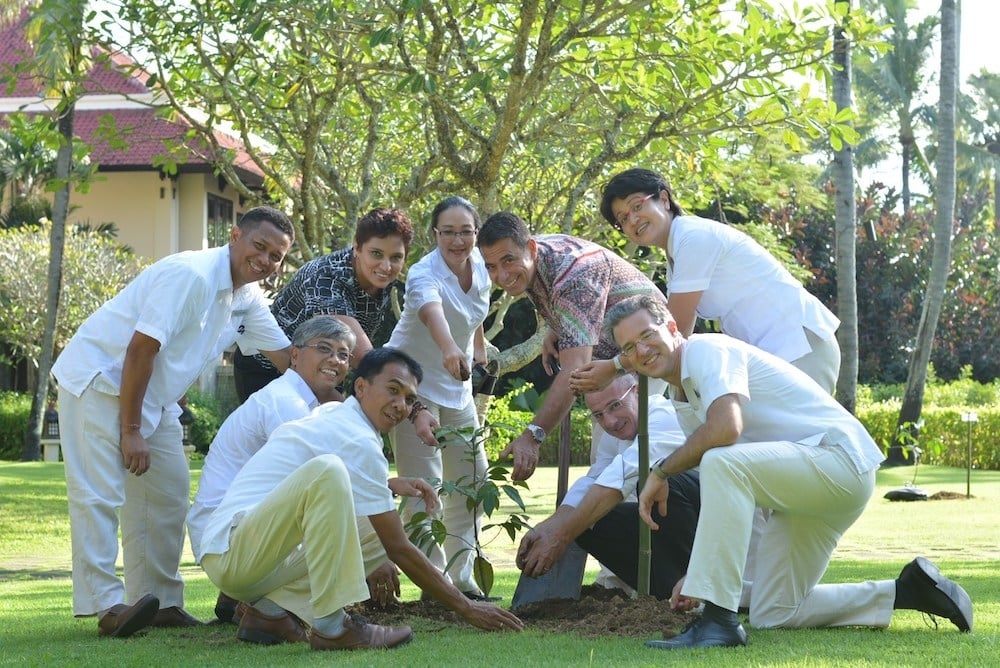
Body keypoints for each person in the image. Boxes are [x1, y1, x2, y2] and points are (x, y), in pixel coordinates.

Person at [604, 295, 973, 650]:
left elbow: (726, 429)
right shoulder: (681, 397)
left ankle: (718, 623)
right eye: (628, 348)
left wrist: (661, 472)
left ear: (671, 326)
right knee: (774, 612)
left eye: (647, 335)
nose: (641, 351)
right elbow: (731, 495)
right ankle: (905, 591)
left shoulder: (706, 350)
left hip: (839, 462)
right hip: (806, 490)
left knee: (719, 461)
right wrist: (702, 577)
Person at [52, 205, 296, 638]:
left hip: (154, 399)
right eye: (260, 247)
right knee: (100, 495)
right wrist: (130, 433)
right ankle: (106, 605)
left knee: (167, 494)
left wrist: (343, 404)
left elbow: (288, 361)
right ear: (235, 235)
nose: (266, 261)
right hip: (99, 382)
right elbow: (141, 349)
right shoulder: (193, 275)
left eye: (276, 256)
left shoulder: (247, 298)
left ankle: (160, 601)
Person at [200, 348, 524, 651]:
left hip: (249, 562)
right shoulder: (356, 437)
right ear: (361, 387)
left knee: (373, 527)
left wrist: (389, 484)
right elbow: (398, 546)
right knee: (349, 492)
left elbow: (319, 492)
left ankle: (270, 612)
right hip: (233, 551)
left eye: (410, 399)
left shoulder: (337, 415)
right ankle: (332, 626)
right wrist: (466, 607)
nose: (401, 405)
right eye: (393, 390)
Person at [570, 167, 841, 396]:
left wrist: (616, 366)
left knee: (810, 445)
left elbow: (673, 329)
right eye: (623, 219)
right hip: (775, 351)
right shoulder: (677, 254)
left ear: (664, 199)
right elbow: (677, 336)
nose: (633, 220)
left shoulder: (693, 238)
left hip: (799, 343)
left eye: (637, 206)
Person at [187, 316, 356, 624]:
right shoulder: (285, 403)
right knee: (348, 507)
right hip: (226, 538)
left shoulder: (306, 405)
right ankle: (284, 608)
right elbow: (312, 485)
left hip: (236, 532)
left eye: (343, 355)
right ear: (294, 354)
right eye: (324, 348)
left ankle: (262, 603)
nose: (335, 360)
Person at [476, 211, 667, 481]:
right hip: (612, 356)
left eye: (508, 261)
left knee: (619, 466)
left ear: (530, 247)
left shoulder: (574, 274)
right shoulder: (536, 256)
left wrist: (533, 436)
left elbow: (574, 371)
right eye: (491, 267)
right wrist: (555, 328)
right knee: (605, 464)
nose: (502, 275)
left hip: (650, 352)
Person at [386, 197, 494, 600]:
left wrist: (477, 348)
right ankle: (432, 585)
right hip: (413, 389)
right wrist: (451, 349)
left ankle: (460, 578)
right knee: (424, 488)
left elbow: (474, 311)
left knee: (473, 479)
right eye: (447, 231)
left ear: (475, 232)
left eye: (465, 230)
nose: (457, 239)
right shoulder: (422, 273)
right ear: (435, 235)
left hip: (457, 388)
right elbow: (434, 313)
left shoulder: (482, 265)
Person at [515, 373, 700, 600]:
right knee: (585, 521)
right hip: (667, 527)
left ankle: (697, 587)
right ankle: (665, 593)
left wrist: (561, 535)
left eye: (615, 405)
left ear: (638, 392)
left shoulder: (664, 416)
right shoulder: (614, 434)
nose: (610, 422)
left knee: (652, 478)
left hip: (709, 522)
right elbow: (593, 480)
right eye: (599, 415)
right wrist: (550, 526)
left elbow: (621, 476)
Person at [232, 207, 413, 402]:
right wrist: (415, 408)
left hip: (323, 369)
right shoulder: (325, 279)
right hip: (267, 371)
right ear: (357, 247)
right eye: (376, 253)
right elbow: (365, 359)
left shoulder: (382, 278)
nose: (386, 266)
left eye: (396, 257)